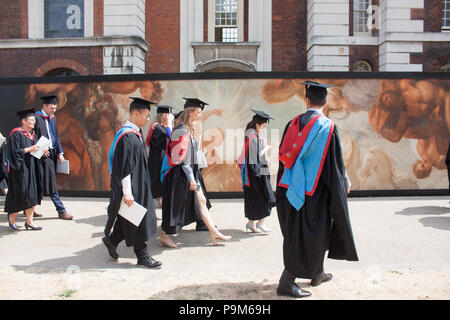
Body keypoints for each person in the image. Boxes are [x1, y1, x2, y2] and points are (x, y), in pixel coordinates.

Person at [276, 81, 358, 298]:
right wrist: (342, 183)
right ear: (325, 101)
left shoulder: (291, 124)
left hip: (291, 188)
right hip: (315, 193)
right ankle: (286, 282)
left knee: (299, 233)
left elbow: (283, 159)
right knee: (312, 234)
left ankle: (317, 273)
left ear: (307, 101)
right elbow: (335, 164)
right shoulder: (327, 127)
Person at [159, 97, 231, 248]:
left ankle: (213, 231)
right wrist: (192, 179)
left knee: (202, 201)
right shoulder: (182, 130)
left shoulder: (186, 129)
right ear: (191, 112)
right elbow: (182, 160)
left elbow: (188, 155)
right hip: (178, 176)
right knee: (175, 207)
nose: (199, 115)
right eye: (198, 112)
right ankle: (164, 235)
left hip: (186, 173)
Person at [103, 97, 162, 269]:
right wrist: (127, 192)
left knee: (130, 217)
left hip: (140, 183)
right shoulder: (127, 136)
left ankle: (112, 240)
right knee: (138, 219)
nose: (147, 119)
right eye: (145, 115)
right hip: (132, 187)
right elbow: (124, 168)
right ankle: (142, 256)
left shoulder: (136, 133)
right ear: (135, 113)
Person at [34, 95, 72, 220]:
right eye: (51, 108)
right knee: (43, 182)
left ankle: (29, 208)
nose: (53, 110)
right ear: (44, 106)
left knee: (46, 182)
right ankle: (61, 210)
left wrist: (59, 152)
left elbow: (56, 136)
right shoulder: (36, 118)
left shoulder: (52, 118)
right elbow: (31, 136)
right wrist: (40, 148)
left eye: (55, 108)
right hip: (38, 155)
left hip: (50, 154)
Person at [5, 109, 44, 231]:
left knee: (32, 195)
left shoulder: (33, 134)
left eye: (34, 120)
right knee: (19, 194)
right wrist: (29, 149)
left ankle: (29, 222)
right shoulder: (16, 134)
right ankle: (12, 219)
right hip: (20, 171)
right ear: (23, 121)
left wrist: (41, 149)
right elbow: (14, 153)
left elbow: (35, 149)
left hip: (31, 168)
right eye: (31, 120)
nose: (34, 122)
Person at [238, 109, 275, 233]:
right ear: (257, 124)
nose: (264, 128)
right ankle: (260, 223)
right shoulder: (252, 136)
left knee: (256, 198)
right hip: (255, 173)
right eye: (263, 125)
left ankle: (251, 223)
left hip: (256, 170)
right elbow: (255, 156)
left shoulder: (251, 134)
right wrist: (266, 149)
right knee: (265, 196)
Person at [146, 105, 173, 207]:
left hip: (161, 157)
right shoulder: (157, 127)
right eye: (168, 114)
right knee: (159, 178)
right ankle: (161, 199)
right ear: (163, 115)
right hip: (158, 158)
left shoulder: (163, 127)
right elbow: (170, 139)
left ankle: (162, 199)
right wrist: (168, 127)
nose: (169, 116)